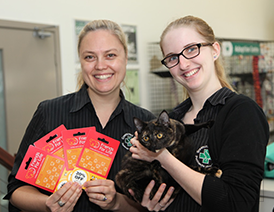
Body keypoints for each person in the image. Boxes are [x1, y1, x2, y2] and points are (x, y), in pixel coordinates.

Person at [5, 19, 156, 212]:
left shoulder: (147, 124)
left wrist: (117, 202)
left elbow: (154, 203)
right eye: (90, 57)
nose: (100, 66)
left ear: (125, 58)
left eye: (110, 55)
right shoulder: (49, 112)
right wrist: (48, 205)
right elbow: (17, 189)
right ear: (81, 61)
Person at [129, 15, 269, 212]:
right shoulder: (171, 120)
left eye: (191, 49)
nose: (183, 64)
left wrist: (162, 156)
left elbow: (237, 203)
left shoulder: (241, 112)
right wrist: (148, 201)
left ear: (215, 50)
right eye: (172, 58)